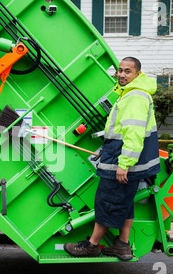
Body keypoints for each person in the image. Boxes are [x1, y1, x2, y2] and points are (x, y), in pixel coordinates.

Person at [64, 57, 160, 260]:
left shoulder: (134, 97)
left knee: (107, 201)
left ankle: (92, 246)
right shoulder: (134, 94)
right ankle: (122, 245)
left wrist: (124, 165)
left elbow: (133, 134)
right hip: (123, 156)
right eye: (120, 71)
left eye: (127, 71)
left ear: (138, 74)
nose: (122, 75)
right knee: (125, 202)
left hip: (122, 159)